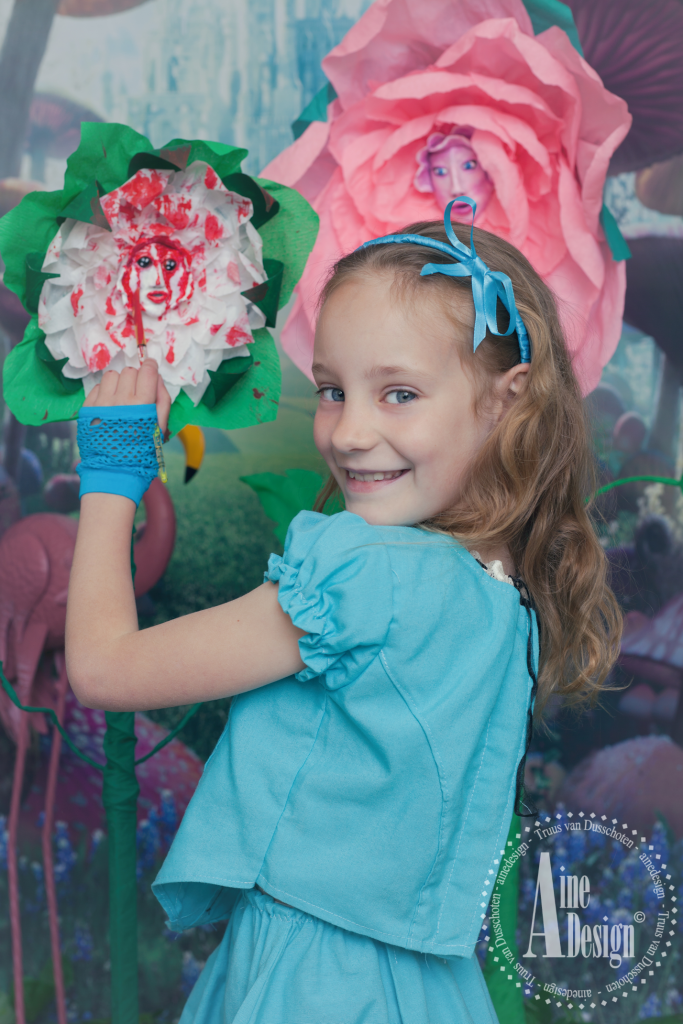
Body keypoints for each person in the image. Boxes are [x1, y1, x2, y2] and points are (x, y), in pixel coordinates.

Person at [65, 198, 621, 1024]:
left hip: (309, 983)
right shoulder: (503, 593)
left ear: (505, 403)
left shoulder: (367, 577)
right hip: (421, 990)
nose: (351, 432)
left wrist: (112, 473)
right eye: (331, 390)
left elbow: (104, 667)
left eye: (398, 393)